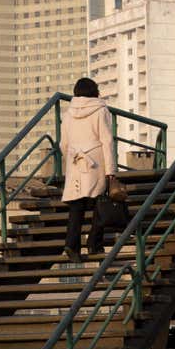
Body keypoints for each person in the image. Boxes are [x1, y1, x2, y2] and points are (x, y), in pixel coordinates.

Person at [61, 77, 115, 262]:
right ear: (95, 91)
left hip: (75, 161)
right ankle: (94, 243)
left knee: (76, 207)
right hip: (95, 161)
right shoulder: (101, 110)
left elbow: (64, 144)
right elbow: (107, 141)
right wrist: (111, 171)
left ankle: (72, 244)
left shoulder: (68, 114)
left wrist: (70, 160)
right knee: (100, 202)